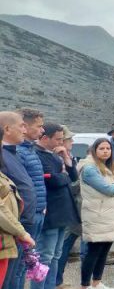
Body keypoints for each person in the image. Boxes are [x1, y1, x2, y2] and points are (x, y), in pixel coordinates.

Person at [33, 123, 80, 289]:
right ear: (45, 138)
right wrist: (62, 175)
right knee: (45, 257)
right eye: (58, 139)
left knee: (56, 255)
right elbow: (52, 180)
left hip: (63, 212)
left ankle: (51, 286)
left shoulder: (55, 154)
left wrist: (66, 160)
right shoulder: (37, 154)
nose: (61, 142)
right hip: (51, 213)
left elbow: (73, 177)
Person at [79, 138, 114, 289]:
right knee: (94, 251)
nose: (106, 151)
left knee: (104, 250)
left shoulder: (110, 166)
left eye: (108, 148)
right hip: (97, 214)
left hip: (110, 214)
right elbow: (108, 189)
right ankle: (85, 285)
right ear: (94, 150)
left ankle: (97, 282)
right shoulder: (90, 168)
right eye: (101, 148)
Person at [0, 112, 37, 289]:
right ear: (6, 129)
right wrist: (19, 230)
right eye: (22, 125)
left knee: (19, 272)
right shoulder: (5, 155)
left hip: (19, 225)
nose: (26, 129)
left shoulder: (11, 154)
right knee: (8, 279)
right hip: (10, 230)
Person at [13, 109, 46, 289]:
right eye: (39, 126)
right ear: (24, 127)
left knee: (24, 264)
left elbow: (36, 183)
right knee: (18, 266)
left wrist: (43, 206)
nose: (42, 131)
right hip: (26, 216)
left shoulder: (30, 150)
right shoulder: (18, 152)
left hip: (37, 212)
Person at [56, 125, 86, 288]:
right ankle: (56, 279)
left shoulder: (70, 156)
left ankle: (57, 279)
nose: (72, 142)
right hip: (67, 207)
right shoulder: (59, 158)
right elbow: (70, 184)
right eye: (69, 139)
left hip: (73, 206)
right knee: (62, 246)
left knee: (64, 244)